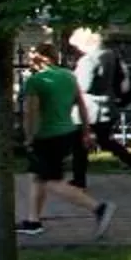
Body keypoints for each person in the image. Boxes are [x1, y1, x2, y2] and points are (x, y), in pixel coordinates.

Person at [16, 41, 113, 240]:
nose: (29, 62)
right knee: (37, 176)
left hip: (45, 136)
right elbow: (82, 105)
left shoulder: (36, 81)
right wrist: (86, 131)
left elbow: (30, 112)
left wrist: (28, 137)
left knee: (51, 181)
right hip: (68, 132)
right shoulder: (68, 76)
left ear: (39, 58)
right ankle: (33, 221)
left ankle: (98, 208)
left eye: (31, 58)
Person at [72, 31, 131, 187]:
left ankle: (79, 181)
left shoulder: (88, 60)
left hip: (89, 110)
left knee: (80, 144)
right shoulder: (110, 56)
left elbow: (83, 86)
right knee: (105, 141)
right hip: (108, 107)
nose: (77, 49)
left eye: (77, 45)